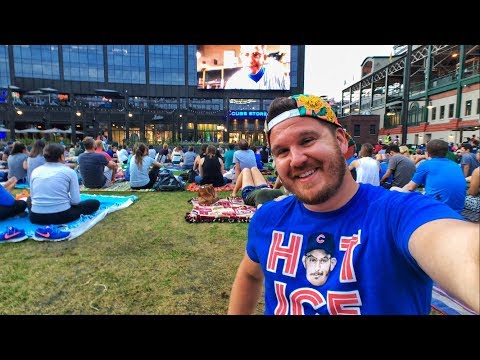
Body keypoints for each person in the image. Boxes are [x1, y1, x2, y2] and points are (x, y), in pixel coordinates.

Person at [227, 94, 479, 315]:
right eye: (282, 151)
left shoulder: (397, 214)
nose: (296, 159)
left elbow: (464, 252)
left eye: (307, 140)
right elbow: (250, 274)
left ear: (340, 140)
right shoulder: (268, 218)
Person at [28, 143, 100, 225]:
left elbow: (33, 197)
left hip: (36, 217)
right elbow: (75, 201)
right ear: (62, 156)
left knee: (29, 199)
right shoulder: (69, 172)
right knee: (94, 203)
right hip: (62, 216)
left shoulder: (35, 171)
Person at [391, 139, 466, 214]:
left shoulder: (426, 164)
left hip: (436, 209)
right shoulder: (455, 165)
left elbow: (410, 188)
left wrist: (397, 196)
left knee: (393, 189)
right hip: (457, 210)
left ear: (427, 152)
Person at [224, 45, 289, 90]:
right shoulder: (232, 84)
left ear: (265, 57)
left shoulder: (279, 78)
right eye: (246, 54)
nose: (250, 61)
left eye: (256, 54)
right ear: (241, 56)